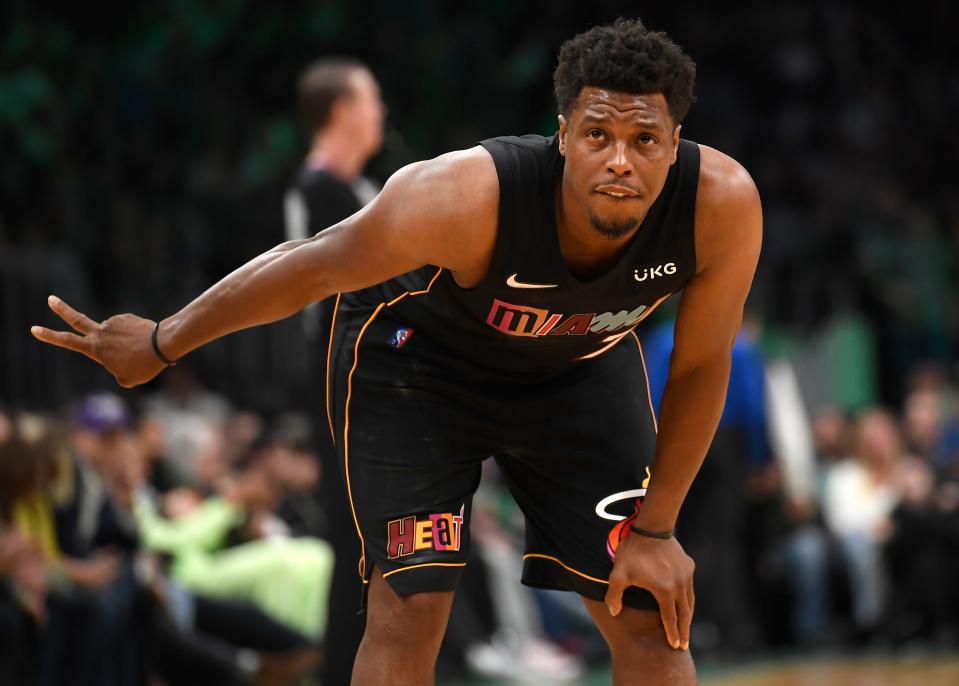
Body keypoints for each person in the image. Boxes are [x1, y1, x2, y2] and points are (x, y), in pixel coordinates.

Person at [32, 18, 762, 686]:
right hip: (418, 366)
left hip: (574, 370)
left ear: (675, 144)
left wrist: (659, 529)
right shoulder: (464, 197)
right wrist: (165, 339)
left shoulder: (720, 206)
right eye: (599, 136)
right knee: (410, 606)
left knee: (647, 609)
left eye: (644, 141)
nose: (619, 162)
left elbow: (700, 366)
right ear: (564, 134)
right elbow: (312, 263)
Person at [283, 57, 387, 685]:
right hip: (345, 389)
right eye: (372, 101)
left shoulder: (368, 193)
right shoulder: (313, 192)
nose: (381, 114)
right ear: (344, 111)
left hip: (388, 387)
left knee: (389, 546)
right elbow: (312, 305)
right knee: (356, 548)